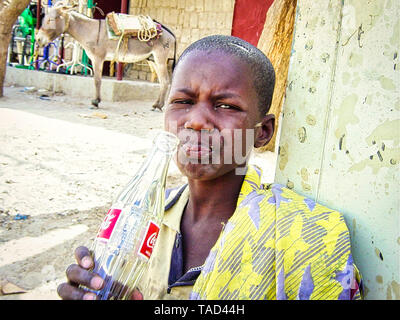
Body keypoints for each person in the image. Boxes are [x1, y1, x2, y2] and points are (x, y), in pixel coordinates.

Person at [57, 35, 363, 300]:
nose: (196, 120)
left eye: (226, 106)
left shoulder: (309, 234)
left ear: (263, 131)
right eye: (182, 101)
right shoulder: (139, 221)